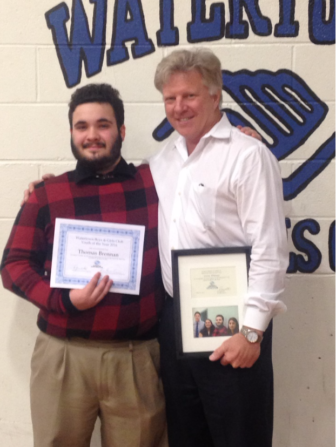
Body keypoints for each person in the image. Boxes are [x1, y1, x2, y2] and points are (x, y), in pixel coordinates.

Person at [0, 84, 167, 447]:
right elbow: (13, 266)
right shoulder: (48, 195)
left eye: (103, 125)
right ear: (72, 132)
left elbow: (207, 169)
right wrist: (63, 301)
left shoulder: (157, 185)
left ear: (121, 131)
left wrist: (240, 140)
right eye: (82, 126)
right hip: (63, 355)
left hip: (135, 358)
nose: (92, 135)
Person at [149, 48, 288, 447]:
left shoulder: (247, 156)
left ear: (215, 95)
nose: (179, 107)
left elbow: (270, 248)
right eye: (170, 98)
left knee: (240, 436)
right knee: (186, 435)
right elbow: (114, 184)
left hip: (235, 323)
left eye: (189, 95)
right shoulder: (163, 160)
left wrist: (252, 333)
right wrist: (48, 183)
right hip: (178, 322)